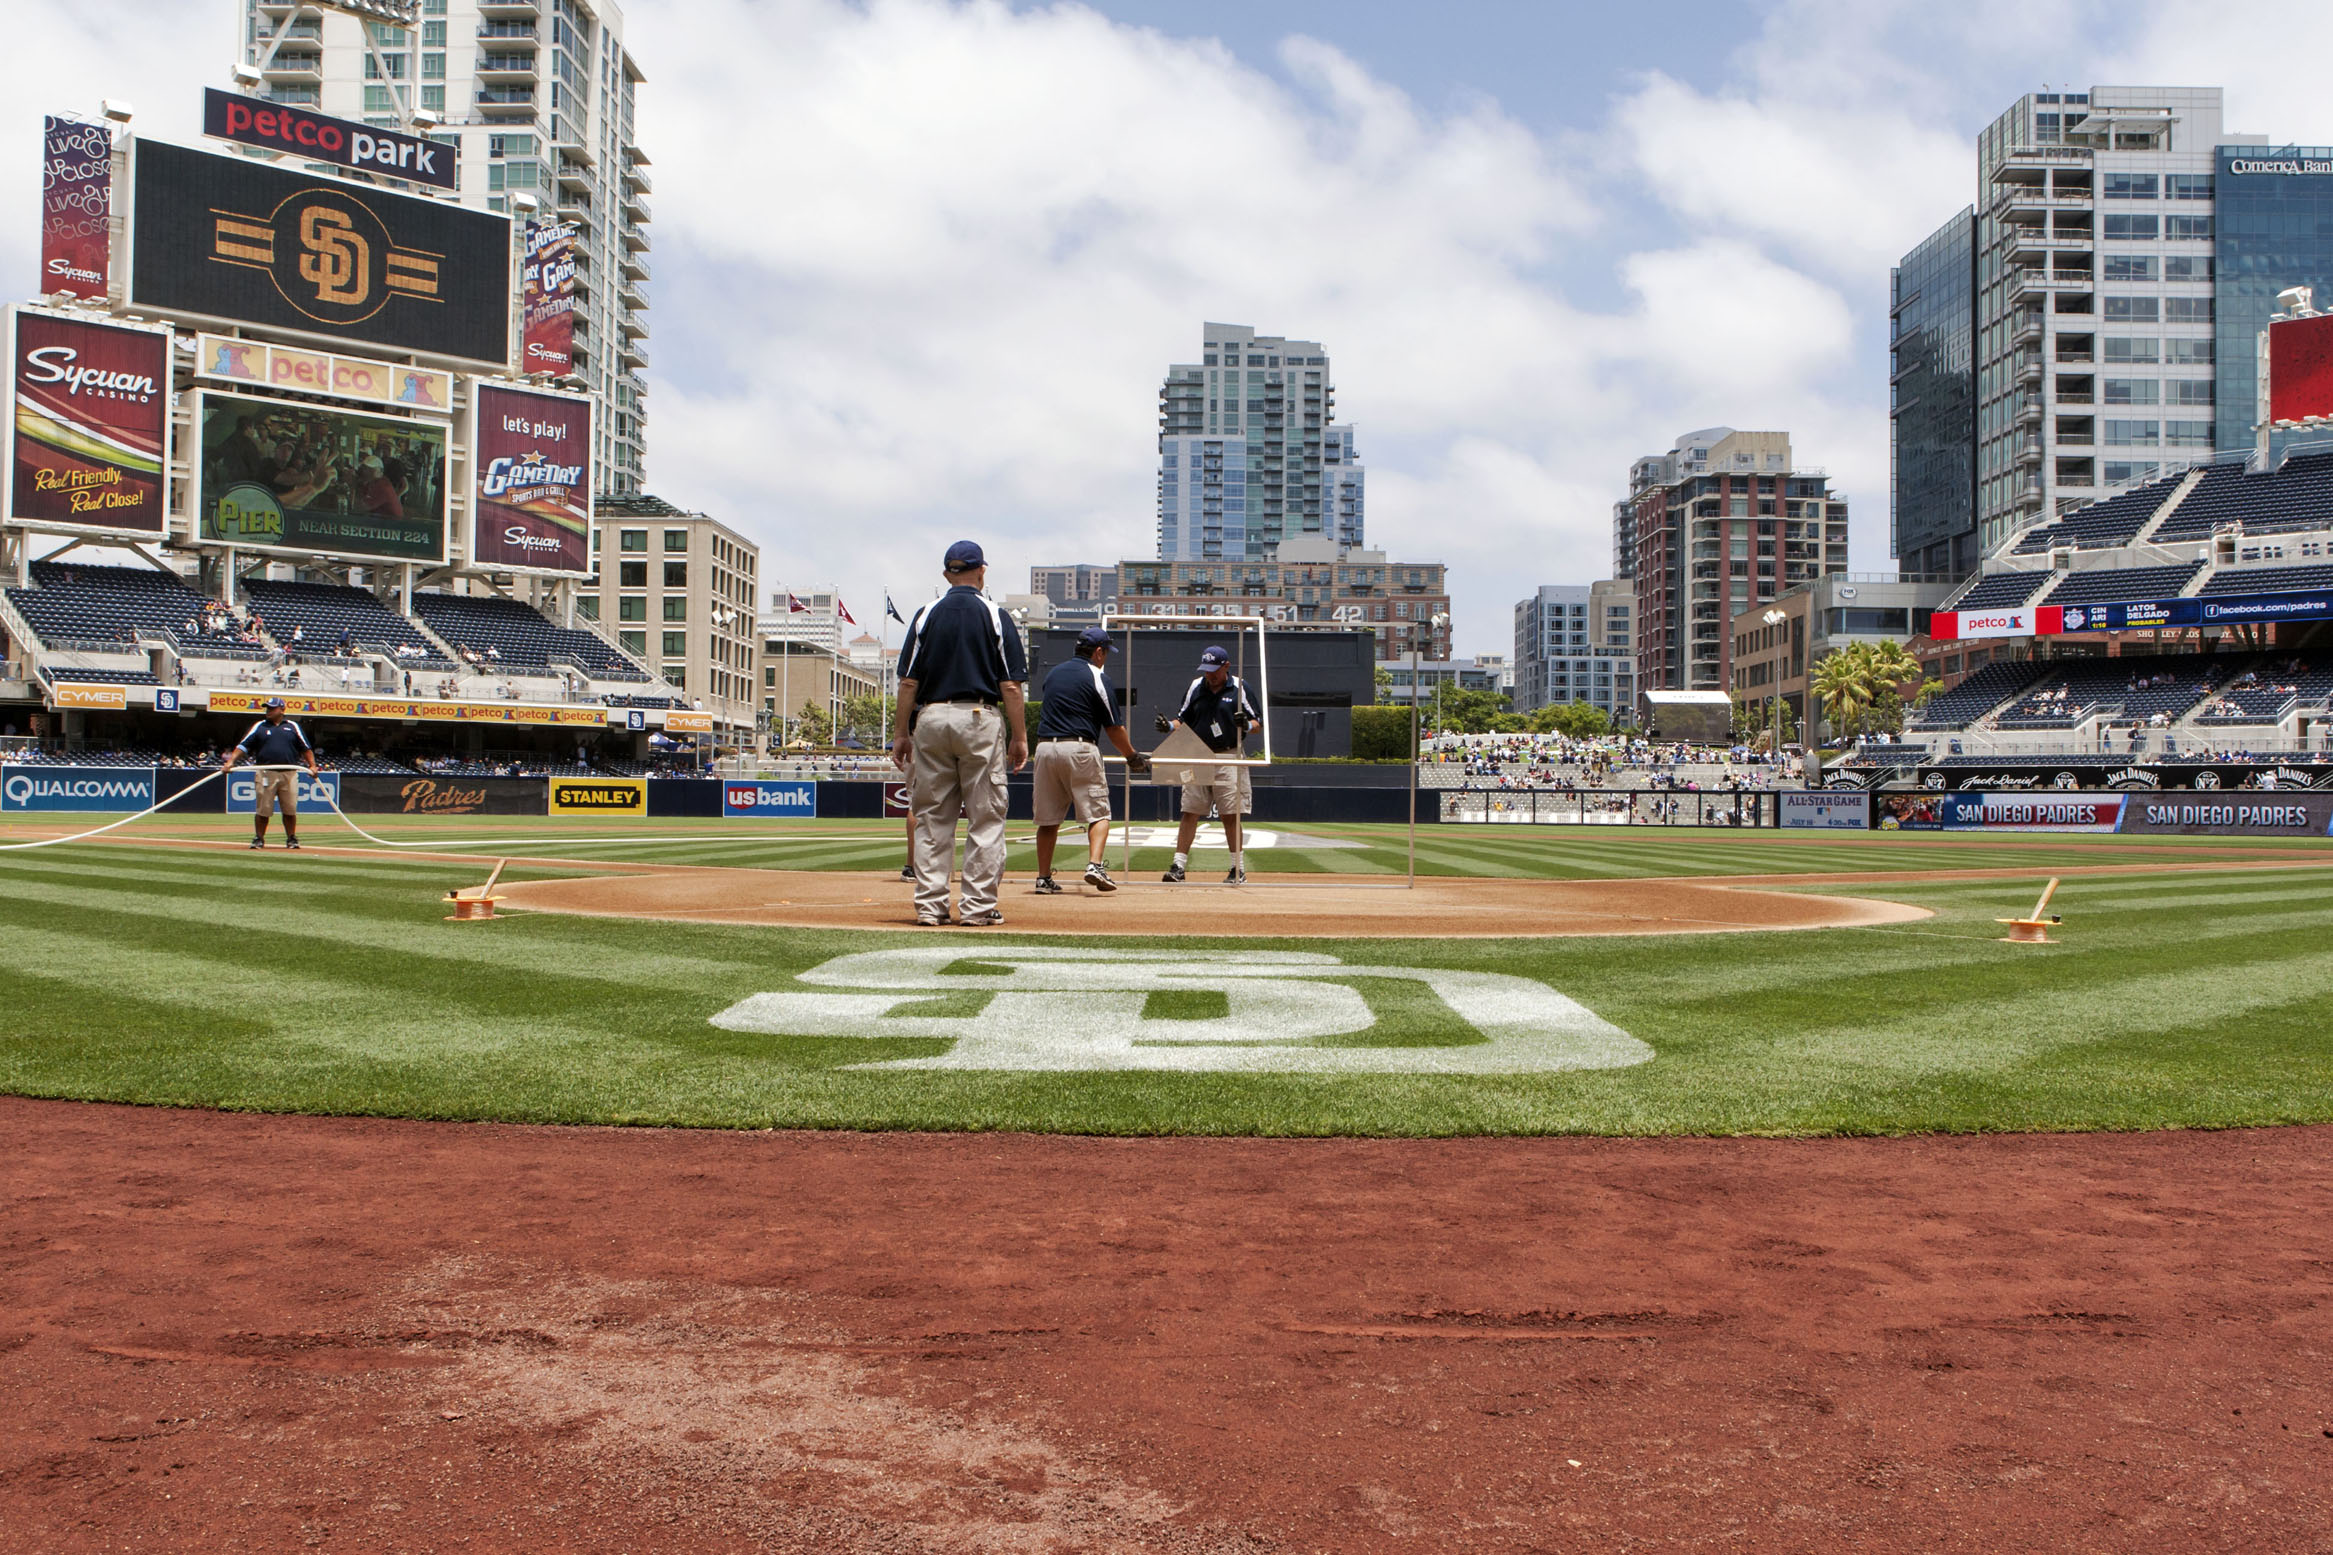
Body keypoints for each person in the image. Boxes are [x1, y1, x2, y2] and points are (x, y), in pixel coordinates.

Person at [890, 540, 1027, 927]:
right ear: (982, 571)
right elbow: (1012, 686)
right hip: (978, 716)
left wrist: (901, 732)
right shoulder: (995, 615)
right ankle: (977, 908)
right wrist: (1020, 736)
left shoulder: (926, 614)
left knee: (933, 818)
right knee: (985, 818)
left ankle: (930, 908)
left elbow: (907, 683)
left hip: (930, 716)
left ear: (947, 575)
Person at [1030, 627, 1147, 895]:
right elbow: (1114, 727)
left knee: (1048, 820)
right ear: (1098, 652)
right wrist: (1131, 756)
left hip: (1046, 748)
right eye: (1105, 652)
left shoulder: (1054, 673)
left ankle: (1043, 878)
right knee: (1099, 813)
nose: (1105, 657)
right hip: (1079, 748)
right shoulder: (1097, 676)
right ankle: (1095, 865)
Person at [1159, 644, 1260, 885]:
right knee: (1189, 811)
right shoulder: (1196, 686)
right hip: (1197, 753)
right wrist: (1169, 726)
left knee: (1230, 814)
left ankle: (1238, 869)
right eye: (1206, 670)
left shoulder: (1240, 687)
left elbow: (1257, 723)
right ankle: (1178, 867)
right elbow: (1182, 718)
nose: (1210, 676)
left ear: (1226, 666)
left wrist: (1245, 725)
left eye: (1214, 670)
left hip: (1228, 754)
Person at [219, 697, 321, 851]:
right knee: (263, 809)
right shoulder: (259, 726)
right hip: (266, 772)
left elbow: (305, 749)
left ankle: (291, 838)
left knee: (290, 809)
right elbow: (243, 746)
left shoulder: (292, 727)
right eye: (267, 708)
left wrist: (312, 766)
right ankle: (259, 838)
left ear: (282, 710)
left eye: (272, 708)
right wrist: (231, 761)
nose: (268, 711)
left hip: (289, 773)